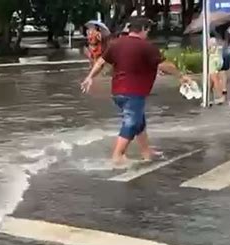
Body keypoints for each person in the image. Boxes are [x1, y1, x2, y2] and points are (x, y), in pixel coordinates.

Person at [80, 17, 191, 164]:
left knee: (139, 121)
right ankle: (118, 155)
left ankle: (146, 151)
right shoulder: (145, 46)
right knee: (132, 122)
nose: (148, 34)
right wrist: (181, 76)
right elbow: (165, 65)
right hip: (133, 92)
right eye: (148, 31)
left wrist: (90, 77)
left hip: (118, 92)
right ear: (144, 29)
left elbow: (101, 62)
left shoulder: (116, 44)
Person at [209, 37, 225, 104]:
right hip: (218, 62)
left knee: (214, 80)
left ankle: (220, 97)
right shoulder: (219, 43)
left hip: (212, 62)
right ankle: (209, 98)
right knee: (210, 80)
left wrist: (208, 48)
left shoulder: (212, 42)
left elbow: (211, 51)